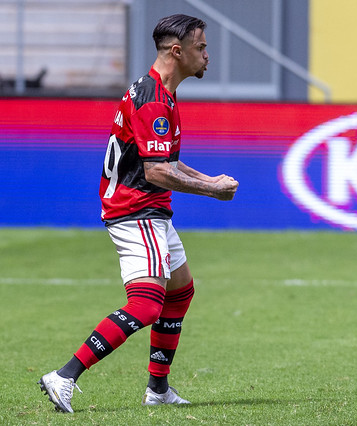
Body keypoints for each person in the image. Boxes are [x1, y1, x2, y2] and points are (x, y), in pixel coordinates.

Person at [38, 14, 239, 413]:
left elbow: (166, 159)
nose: (207, 55)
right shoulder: (154, 102)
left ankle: (158, 389)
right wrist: (212, 191)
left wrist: (208, 177)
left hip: (150, 210)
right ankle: (64, 376)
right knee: (146, 305)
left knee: (179, 292)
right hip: (137, 211)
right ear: (177, 51)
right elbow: (157, 171)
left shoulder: (153, 91)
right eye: (201, 47)